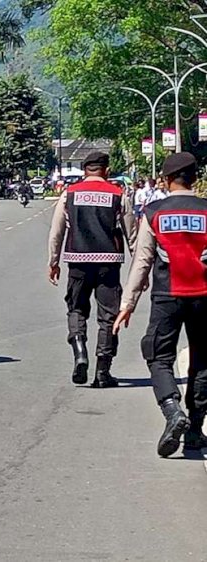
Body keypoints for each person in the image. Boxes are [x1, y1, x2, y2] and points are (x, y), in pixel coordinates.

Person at [113, 152, 207, 457]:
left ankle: (172, 410)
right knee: (203, 361)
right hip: (204, 297)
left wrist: (127, 303)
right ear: (195, 178)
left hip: (167, 296)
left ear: (166, 181)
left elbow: (142, 262)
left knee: (157, 355)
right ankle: (194, 428)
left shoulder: (153, 212)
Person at [48, 151, 137, 388]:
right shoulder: (119, 194)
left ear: (85, 170)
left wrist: (53, 261)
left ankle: (80, 352)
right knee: (108, 316)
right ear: (106, 170)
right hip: (109, 263)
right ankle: (102, 371)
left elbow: (57, 231)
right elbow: (133, 234)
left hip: (77, 260)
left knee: (76, 308)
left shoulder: (70, 194)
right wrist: (140, 267)